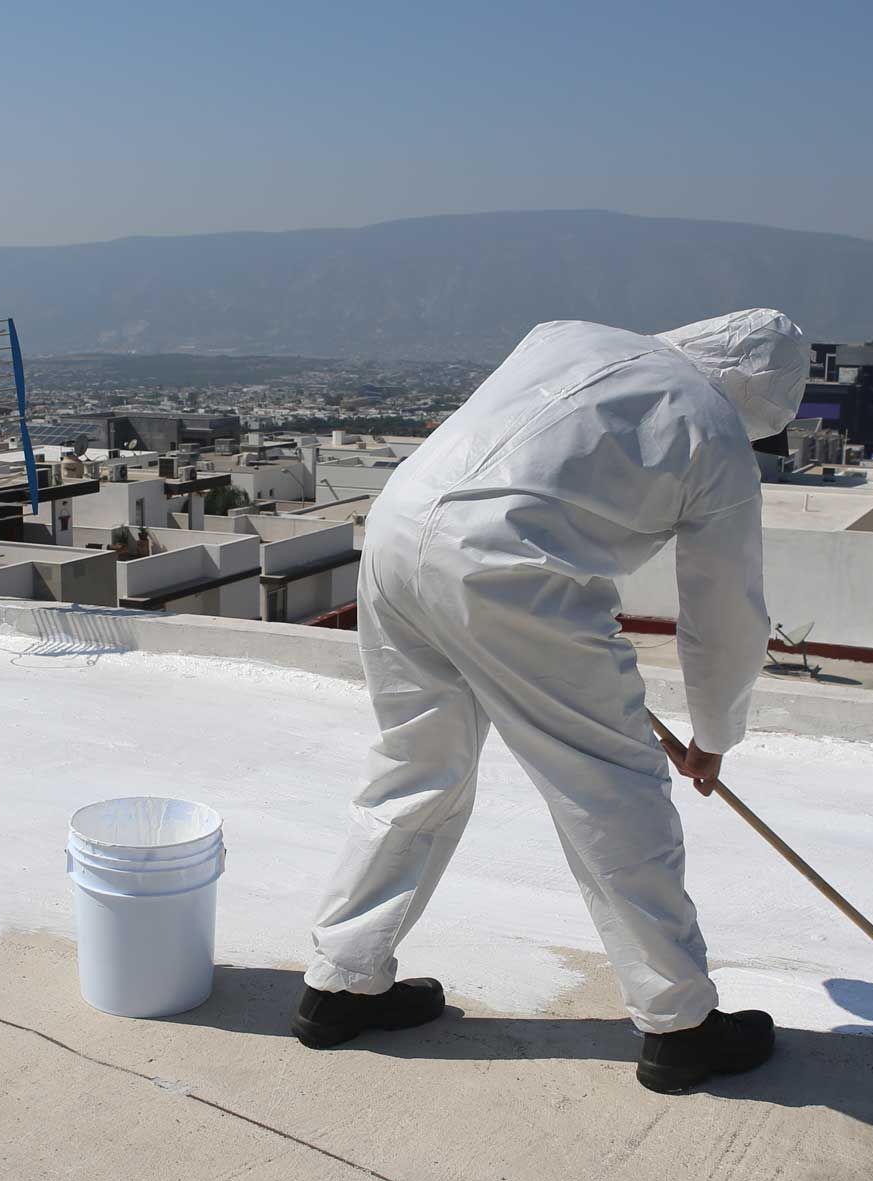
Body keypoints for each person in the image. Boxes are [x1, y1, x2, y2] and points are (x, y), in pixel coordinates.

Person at [293, 309, 807, 1093]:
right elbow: (725, 610)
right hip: (512, 573)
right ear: (760, 400)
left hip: (398, 533)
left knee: (416, 768)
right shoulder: (715, 429)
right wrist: (713, 733)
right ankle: (681, 1026)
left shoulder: (566, 334)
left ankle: (338, 983)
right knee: (611, 792)